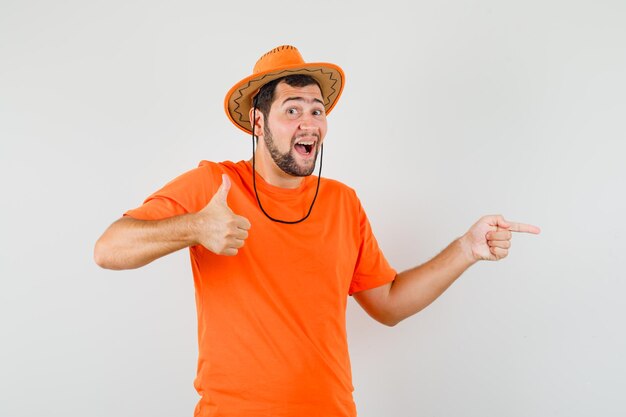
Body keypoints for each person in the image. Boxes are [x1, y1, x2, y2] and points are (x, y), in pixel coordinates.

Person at [94, 45, 540, 417]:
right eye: (292, 110)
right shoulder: (215, 185)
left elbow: (387, 304)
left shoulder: (343, 203)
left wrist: (465, 248)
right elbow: (109, 248)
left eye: (317, 110)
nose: (309, 122)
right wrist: (194, 227)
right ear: (257, 122)